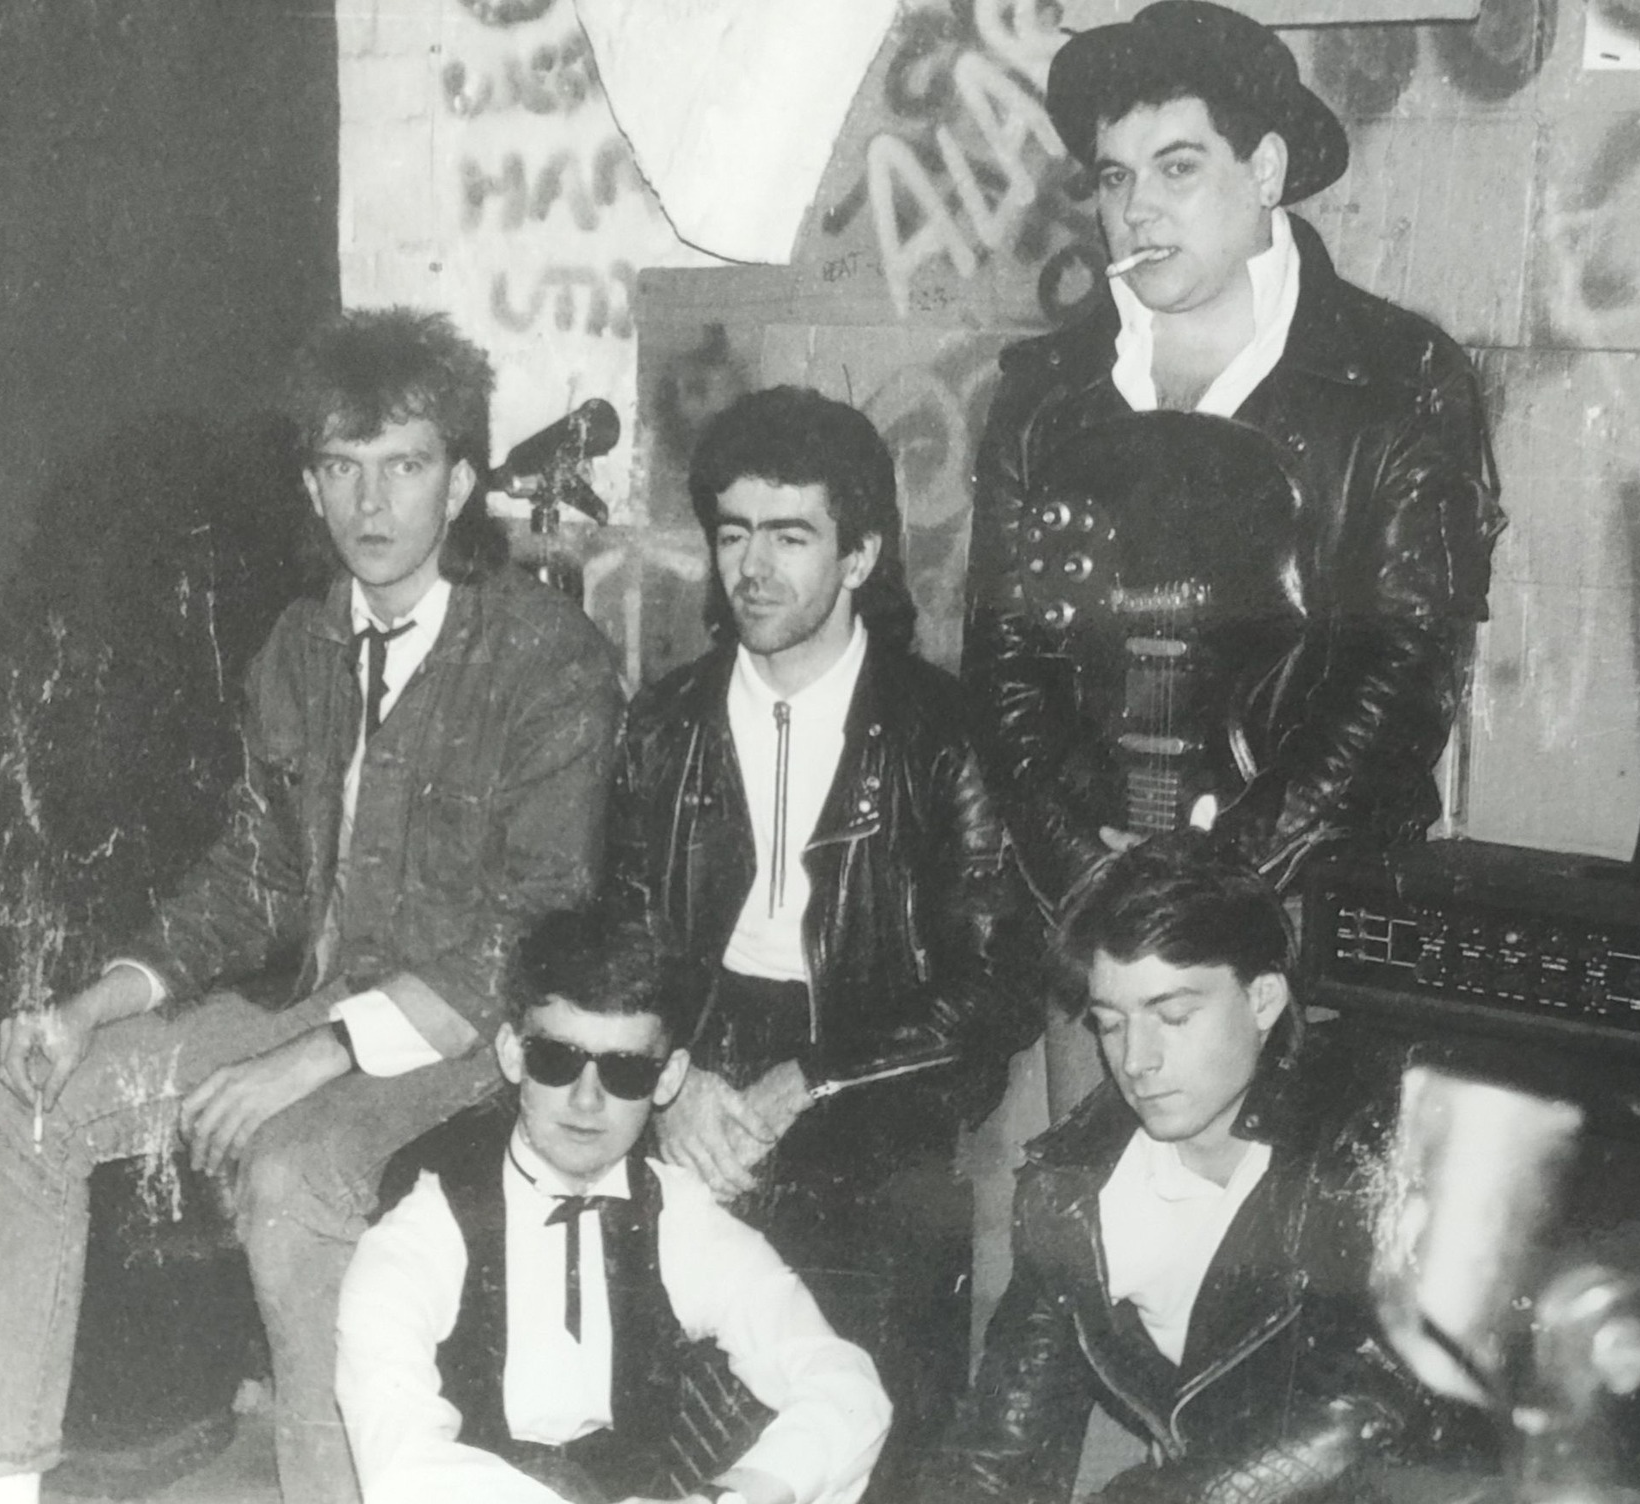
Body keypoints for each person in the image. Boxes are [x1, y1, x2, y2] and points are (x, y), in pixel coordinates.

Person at [0, 308, 623, 1504]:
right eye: (342, 468)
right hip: (312, 1000)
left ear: (461, 482)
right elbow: (252, 873)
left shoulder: (546, 657)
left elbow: (534, 926)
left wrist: (319, 1055)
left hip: (471, 1031)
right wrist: (93, 1005)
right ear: (311, 485)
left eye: (404, 465)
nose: (372, 503)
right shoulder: (301, 644)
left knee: (293, 1172)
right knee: (29, 1100)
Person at [962, 0, 1505, 1107]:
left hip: (1302, 915)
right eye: (1114, 177)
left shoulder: (1398, 380)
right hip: (1096, 914)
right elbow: (1003, 662)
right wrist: (1089, 872)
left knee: (1286, 1200)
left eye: (1177, 167)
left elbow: (1403, 673)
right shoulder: (1044, 397)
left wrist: (1223, 873)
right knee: (1095, 1197)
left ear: (1264, 170)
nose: (1136, 209)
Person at [606, 385, 1036, 1501]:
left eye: (790, 536)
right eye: (732, 533)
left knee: (853, 1346)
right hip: (695, 1048)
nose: (752, 567)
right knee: (621, 1306)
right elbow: (622, 951)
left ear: (860, 556)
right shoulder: (663, 725)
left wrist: (813, 1076)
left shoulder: (939, 732)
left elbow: (1000, 984)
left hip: (876, 1064)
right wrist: (672, 1082)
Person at [925, 831, 1470, 1502]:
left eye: (1174, 1016)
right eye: (1111, 1024)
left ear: (1263, 1000)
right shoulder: (1072, 1194)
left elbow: (1360, 1412)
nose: (1137, 1061)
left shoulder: (1368, 1140)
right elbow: (998, 1453)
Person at [335, 910, 891, 1504]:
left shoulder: (677, 1217)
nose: (586, 1099)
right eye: (557, 1059)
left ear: (669, 1079)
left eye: (625, 1071)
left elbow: (845, 1388)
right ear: (513, 1055)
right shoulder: (427, 1225)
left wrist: (733, 1496)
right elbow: (402, 1460)